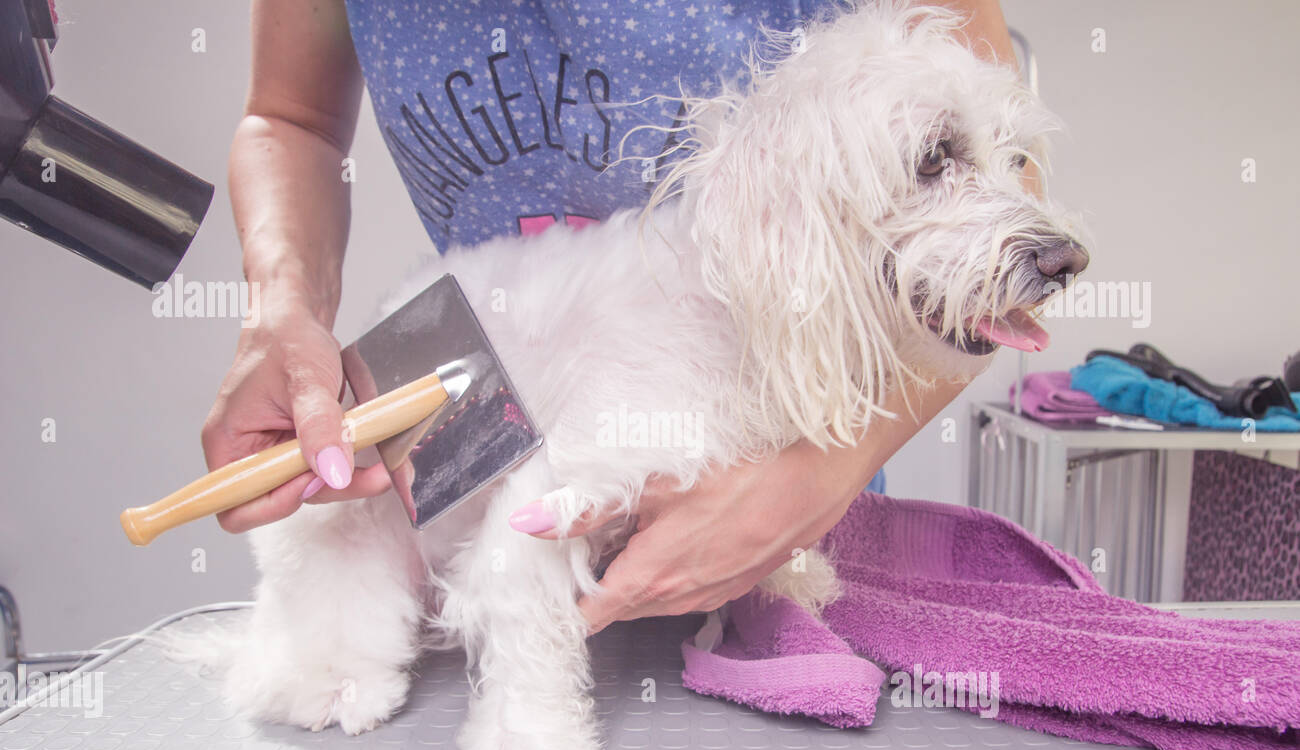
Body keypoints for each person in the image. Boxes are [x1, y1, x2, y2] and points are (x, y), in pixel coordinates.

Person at [204, 0, 1023, 633]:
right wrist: (281, 312)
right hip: (488, 450)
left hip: (778, 490)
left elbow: (1002, 187)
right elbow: (292, 120)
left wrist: (818, 477)